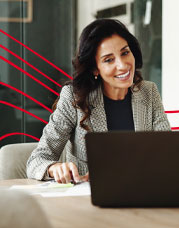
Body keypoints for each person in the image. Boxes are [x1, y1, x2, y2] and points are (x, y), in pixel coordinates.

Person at [27, 19, 171, 183]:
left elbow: (166, 151)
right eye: (109, 60)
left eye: (125, 53)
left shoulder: (148, 92)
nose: (123, 66)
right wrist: (54, 168)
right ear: (95, 68)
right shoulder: (73, 98)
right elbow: (37, 160)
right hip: (88, 201)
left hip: (140, 194)